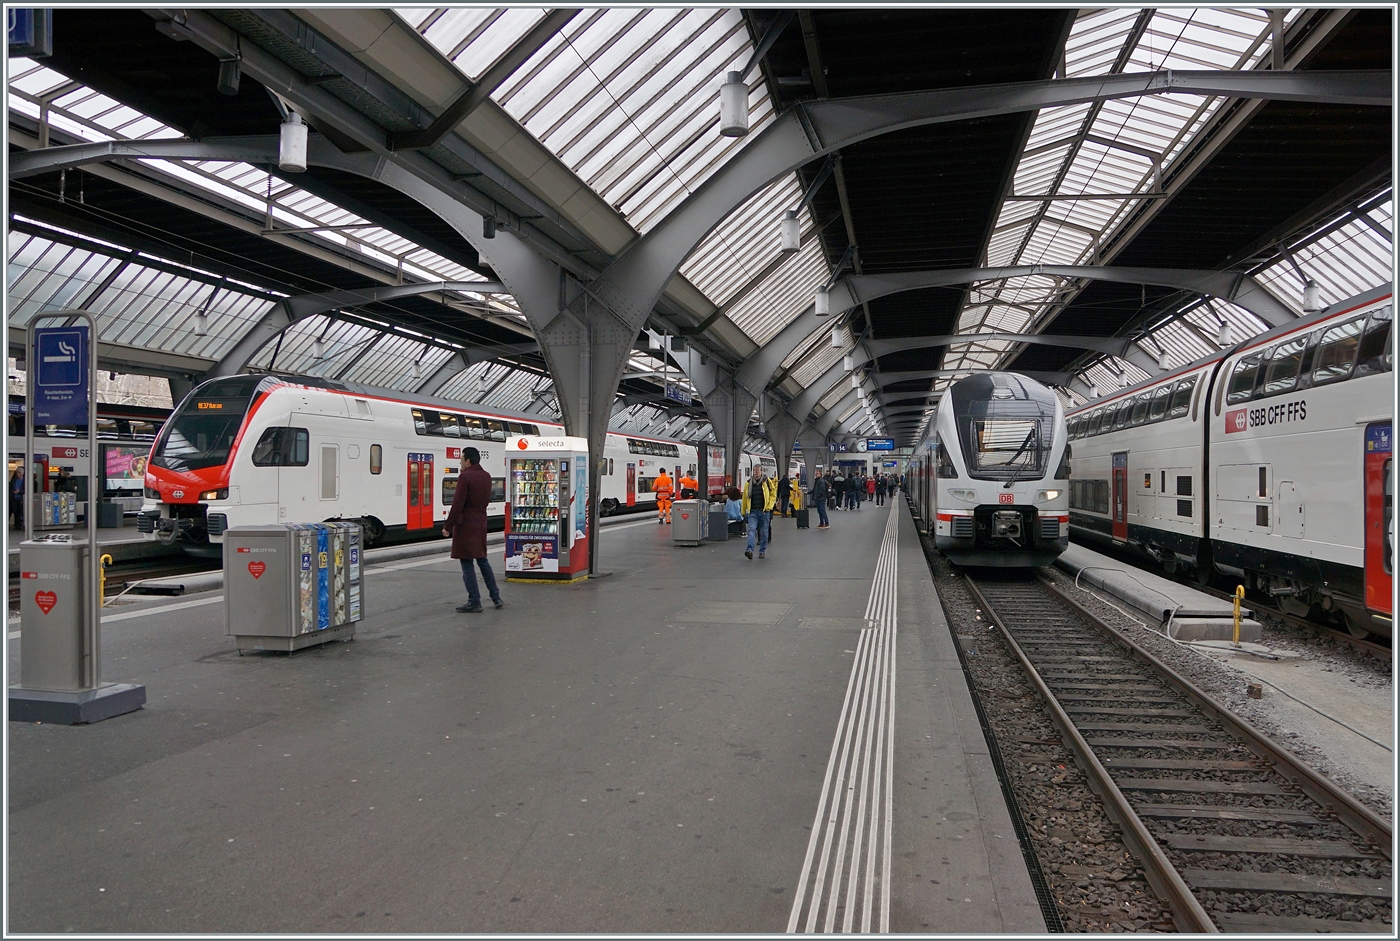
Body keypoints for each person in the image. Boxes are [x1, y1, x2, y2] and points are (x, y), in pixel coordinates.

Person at [442, 446, 503, 613]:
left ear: (468, 461)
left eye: (461, 459)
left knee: (467, 561)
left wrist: (448, 526)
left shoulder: (465, 477)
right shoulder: (486, 476)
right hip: (481, 521)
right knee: (482, 560)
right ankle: (496, 597)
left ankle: (474, 600)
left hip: (466, 524)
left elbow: (457, 504)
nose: (460, 463)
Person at [740, 463, 777, 560]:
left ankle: (762, 551)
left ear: (761, 472)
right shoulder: (748, 483)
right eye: (755, 471)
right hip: (753, 511)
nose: (756, 473)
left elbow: (773, 493)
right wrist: (743, 511)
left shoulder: (767, 481)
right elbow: (745, 498)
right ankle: (749, 550)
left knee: (764, 532)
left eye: (758, 471)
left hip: (764, 511)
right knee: (751, 530)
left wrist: (770, 506)